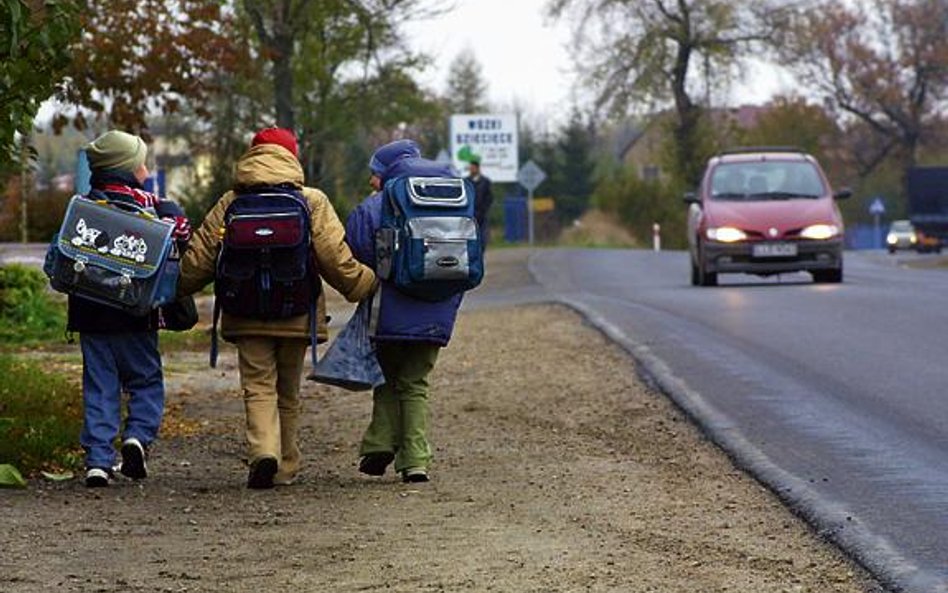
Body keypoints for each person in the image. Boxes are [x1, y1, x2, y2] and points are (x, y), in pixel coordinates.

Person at [178, 128, 376, 489]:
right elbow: (335, 258)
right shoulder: (311, 200)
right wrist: (365, 285)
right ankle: (285, 464)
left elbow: (200, 257)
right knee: (288, 391)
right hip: (296, 310)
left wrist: (173, 289)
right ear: (292, 157)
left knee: (257, 386)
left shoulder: (230, 201)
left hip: (244, 311)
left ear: (253, 156)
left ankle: (262, 453)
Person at [72, 130, 191, 487]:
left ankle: (97, 460)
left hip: (90, 315)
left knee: (99, 386)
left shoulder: (82, 205)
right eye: (141, 162)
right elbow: (183, 236)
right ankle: (137, 437)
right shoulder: (156, 208)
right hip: (137, 313)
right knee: (145, 380)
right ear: (129, 168)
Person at [345, 139, 464, 483]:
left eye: (375, 173)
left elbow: (354, 255)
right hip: (437, 307)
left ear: (389, 171)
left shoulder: (372, 208)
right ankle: (414, 461)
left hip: (388, 309)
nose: (371, 181)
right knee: (415, 382)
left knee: (388, 376)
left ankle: (382, 445)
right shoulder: (450, 200)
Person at [468, 157, 493, 242]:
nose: (471, 170)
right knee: (471, 236)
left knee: (482, 237)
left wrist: (484, 209)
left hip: (482, 214)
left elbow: (489, 197)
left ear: (477, 168)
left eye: (473, 168)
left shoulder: (485, 182)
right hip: (470, 213)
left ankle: (481, 252)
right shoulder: (467, 181)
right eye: (470, 168)